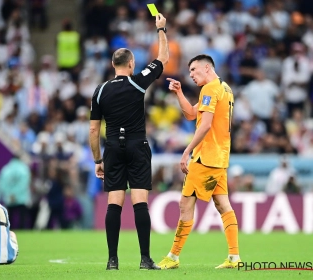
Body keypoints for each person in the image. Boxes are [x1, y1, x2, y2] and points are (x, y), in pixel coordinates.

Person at [89, 13, 169, 270]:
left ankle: (112, 261)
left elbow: (93, 131)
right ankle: (145, 259)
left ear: (114, 64)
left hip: (112, 147)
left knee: (114, 203)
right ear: (131, 64)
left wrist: (97, 160)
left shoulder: (100, 91)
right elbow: (163, 58)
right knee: (140, 203)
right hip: (137, 145)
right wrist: (161, 29)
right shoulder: (138, 82)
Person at [157, 55, 241, 269]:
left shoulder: (210, 89)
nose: (191, 75)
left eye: (194, 70)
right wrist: (178, 92)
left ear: (207, 67)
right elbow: (192, 114)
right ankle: (234, 257)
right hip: (220, 157)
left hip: (205, 158)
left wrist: (186, 151)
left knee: (185, 205)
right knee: (223, 205)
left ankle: (173, 257)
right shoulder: (225, 88)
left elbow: (204, 126)